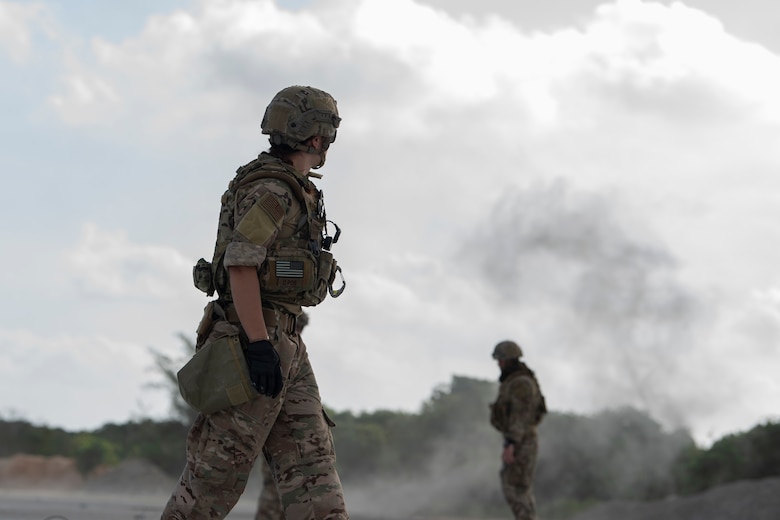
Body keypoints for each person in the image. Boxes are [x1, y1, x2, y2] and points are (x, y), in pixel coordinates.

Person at [162, 86, 348, 520]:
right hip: (254, 343)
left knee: (313, 471)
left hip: (285, 343)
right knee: (213, 479)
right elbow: (240, 267)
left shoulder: (293, 188)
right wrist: (259, 345)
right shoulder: (273, 190)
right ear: (319, 138)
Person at [254, 312, 309, 520]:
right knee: (273, 495)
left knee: (291, 495)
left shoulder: (295, 354)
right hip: (272, 433)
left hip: (288, 437)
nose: (298, 333)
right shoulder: (274, 352)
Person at [489, 340, 547, 520]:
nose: (499, 364)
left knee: (515, 488)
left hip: (521, 441)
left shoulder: (521, 383)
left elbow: (520, 416)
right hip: (521, 439)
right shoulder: (516, 381)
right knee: (517, 488)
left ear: (510, 360)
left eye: (501, 360)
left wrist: (511, 444)